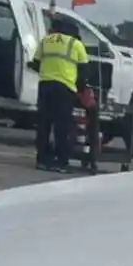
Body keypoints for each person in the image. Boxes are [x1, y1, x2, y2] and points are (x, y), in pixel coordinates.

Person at [31, 13, 90, 171]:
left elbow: (35, 63)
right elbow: (84, 70)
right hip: (64, 88)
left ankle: (41, 160)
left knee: (43, 124)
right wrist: (81, 90)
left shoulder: (45, 41)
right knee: (62, 126)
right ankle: (61, 162)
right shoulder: (76, 44)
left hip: (45, 86)